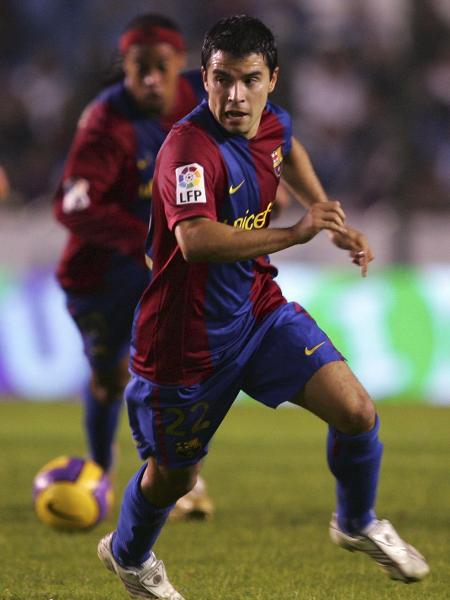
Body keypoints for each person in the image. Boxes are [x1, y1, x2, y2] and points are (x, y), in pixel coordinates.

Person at [97, 15, 429, 600]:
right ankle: (129, 557)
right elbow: (195, 241)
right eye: (221, 79)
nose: (234, 96)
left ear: (272, 79)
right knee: (175, 477)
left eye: (249, 80)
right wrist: (297, 233)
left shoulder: (270, 123)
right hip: (184, 344)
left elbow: (288, 149)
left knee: (355, 410)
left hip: (256, 311)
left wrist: (326, 213)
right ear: (203, 77)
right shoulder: (188, 150)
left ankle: (355, 522)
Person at [53, 13, 213, 520]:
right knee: (109, 378)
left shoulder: (201, 100)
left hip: (159, 270)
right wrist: (143, 238)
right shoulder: (106, 123)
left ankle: (179, 479)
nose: (149, 78)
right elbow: (71, 206)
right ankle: (99, 472)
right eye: (138, 68)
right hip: (99, 277)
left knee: (172, 371)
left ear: (179, 64)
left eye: (159, 67)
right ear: (124, 66)